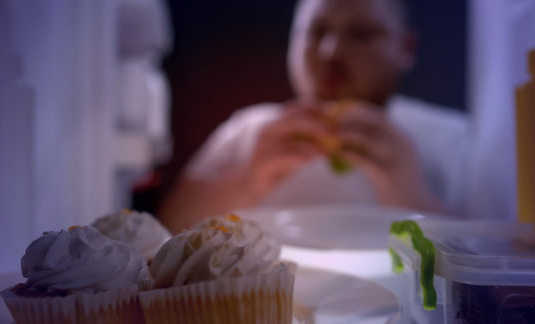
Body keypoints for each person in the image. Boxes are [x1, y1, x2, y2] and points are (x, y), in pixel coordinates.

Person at [159, 0, 469, 233]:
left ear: (406, 48)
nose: (330, 51)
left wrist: (411, 196)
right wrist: (246, 184)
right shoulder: (248, 129)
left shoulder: (452, 138)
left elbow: (496, 258)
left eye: (360, 34)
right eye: (316, 31)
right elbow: (166, 232)